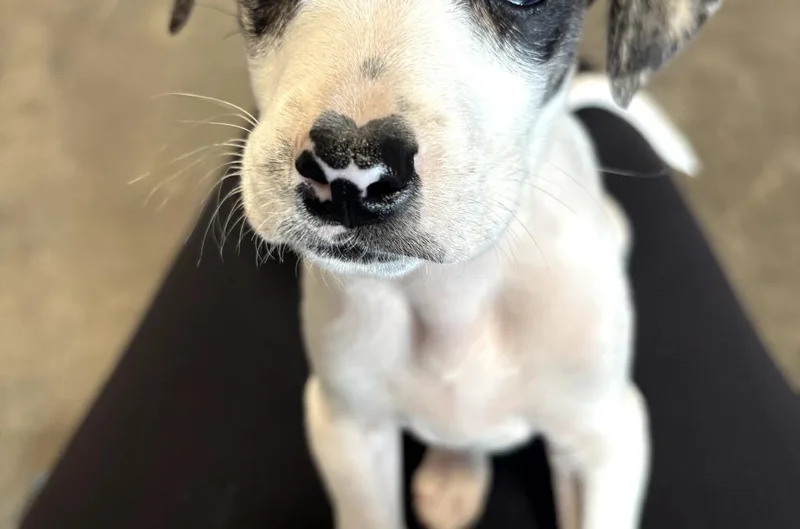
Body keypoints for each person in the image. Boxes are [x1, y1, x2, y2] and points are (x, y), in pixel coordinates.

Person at [20, 107, 800, 529]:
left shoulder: (577, 272)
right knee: (359, 396)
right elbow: (348, 419)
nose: (352, 163)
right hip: (401, 360)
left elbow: (605, 438)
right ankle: (455, 447)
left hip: (557, 266)